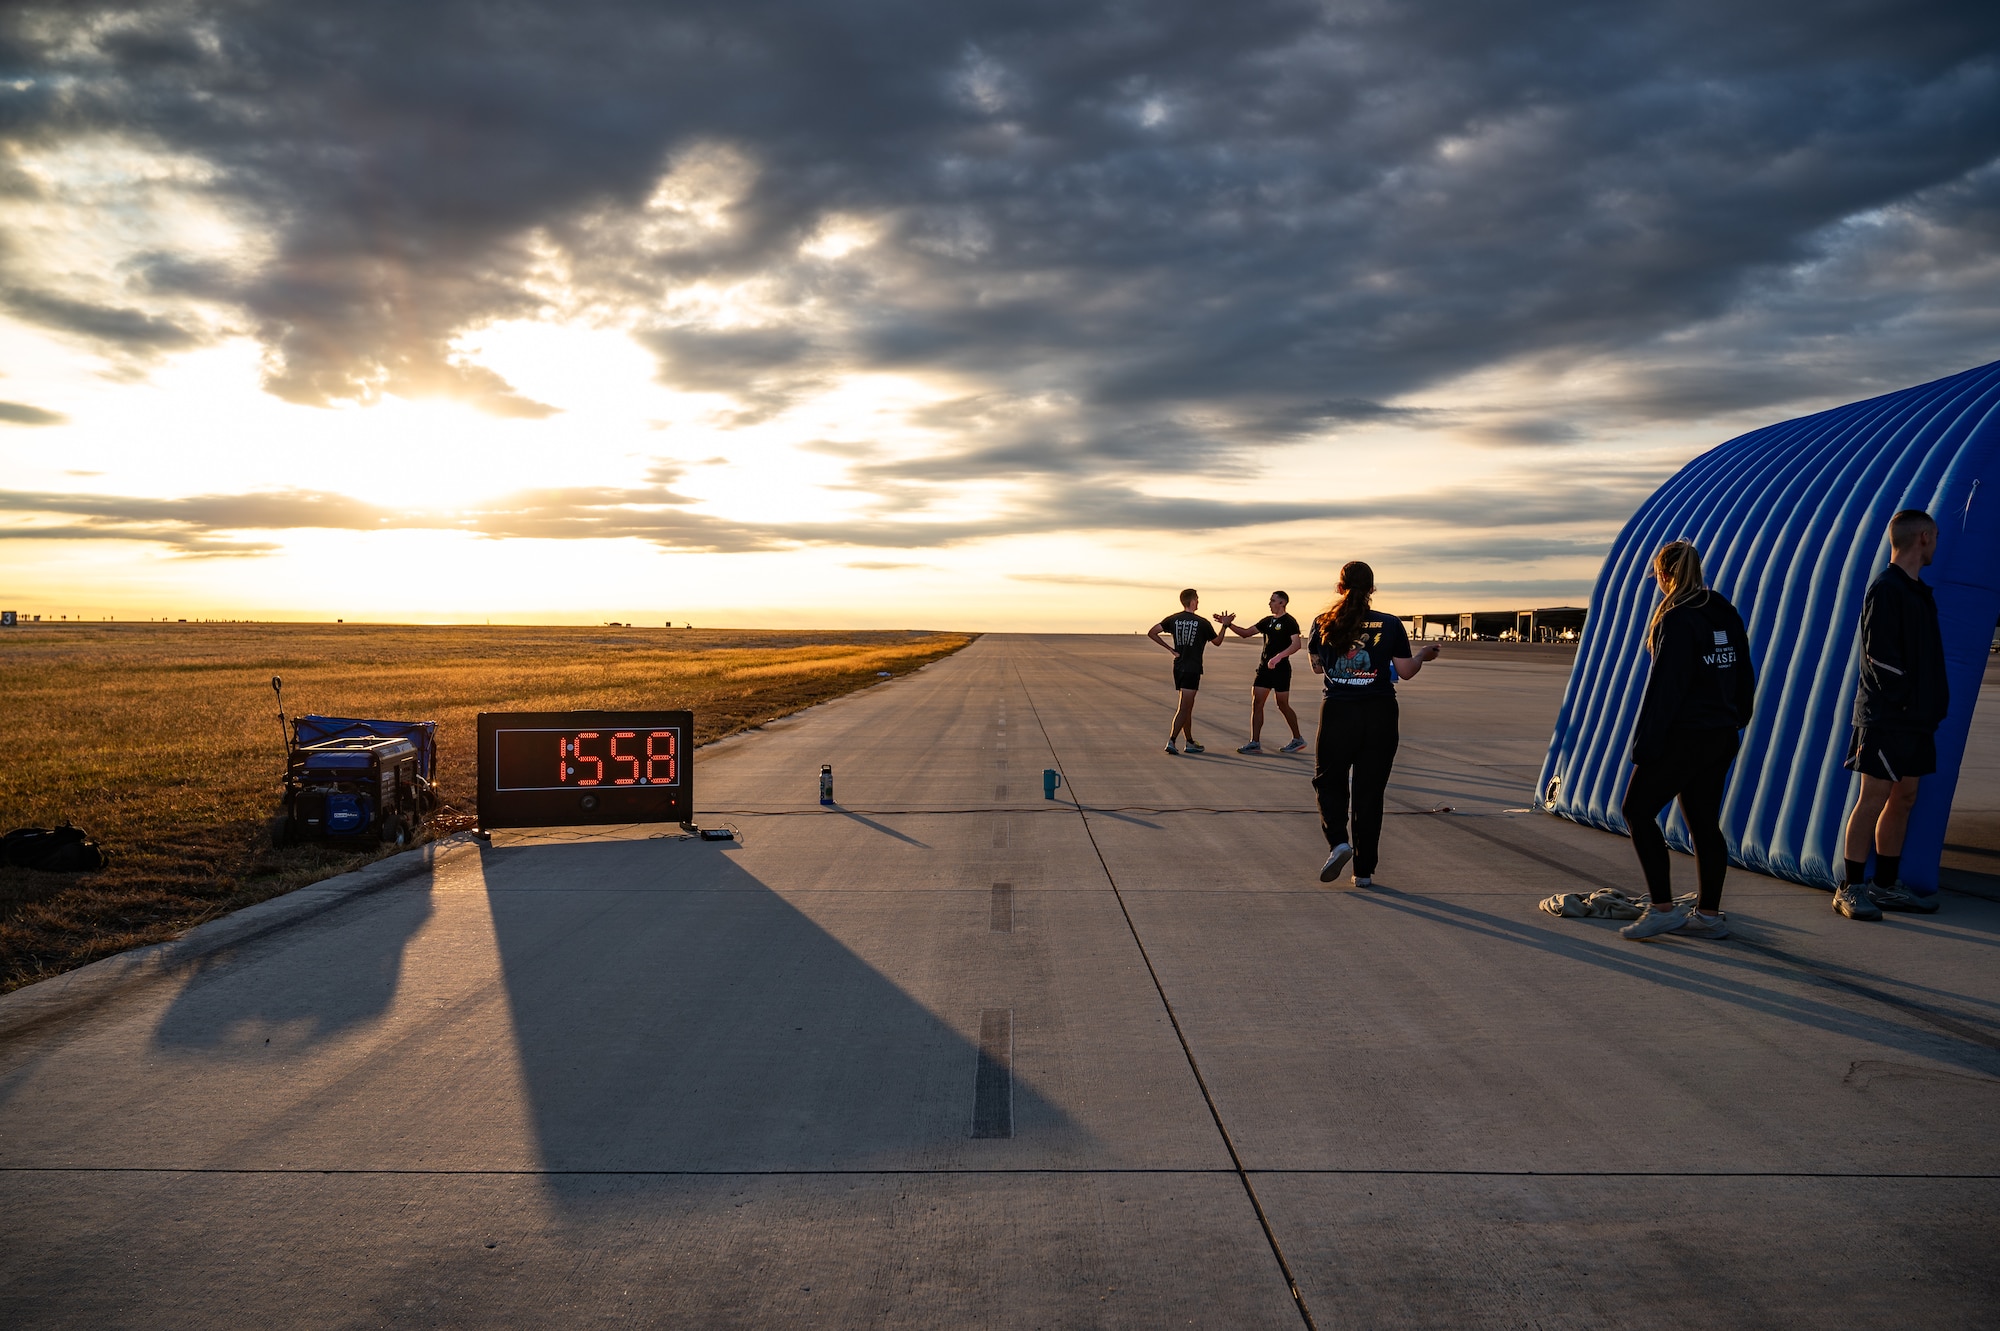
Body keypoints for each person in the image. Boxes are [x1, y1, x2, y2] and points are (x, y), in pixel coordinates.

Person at [1616, 541, 1756, 942]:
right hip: (1721, 735)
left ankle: (1662, 909)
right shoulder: (1723, 609)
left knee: (1637, 811)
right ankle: (1709, 915)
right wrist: (1737, 717)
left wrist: (1644, 746)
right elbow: (1744, 670)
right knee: (1704, 824)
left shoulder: (1676, 618)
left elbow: (1665, 689)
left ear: (1663, 575)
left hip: (1686, 737)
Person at [1835, 509, 1949, 920]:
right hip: (1886, 718)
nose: (1937, 543)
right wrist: (1904, 701)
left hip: (1915, 720)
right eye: (1935, 536)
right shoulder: (1886, 588)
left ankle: (1885, 886)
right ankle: (1850, 888)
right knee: (1873, 798)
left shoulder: (1920, 592)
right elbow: (1879, 658)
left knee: (1905, 797)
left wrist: (1929, 705)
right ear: (1923, 537)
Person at [1307, 562, 1440, 886]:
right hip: (1380, 713)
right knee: (1370, 792)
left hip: (1339, 711)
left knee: (1329, 782)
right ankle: (1363, 871)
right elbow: (1405, 671)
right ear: (1372, 590)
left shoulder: (1323, 623)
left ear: (1340, 588)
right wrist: (1422, 655)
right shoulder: (1391, 624)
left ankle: (1339, 842)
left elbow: (1315, 666)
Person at [1148, 589, 1233, 754]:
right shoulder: (1202, 623)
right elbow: (1217, 642)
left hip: (1178, 667)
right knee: (1185, 707)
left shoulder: (1173, 619)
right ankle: (1172, 740)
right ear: (1193, 601)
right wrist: (1225, 626)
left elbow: (1152, 632)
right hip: (1192, 668)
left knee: (1187, 706)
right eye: (1198, 599)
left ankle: (1189, 741)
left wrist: (1171, 649)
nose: (1199, 602)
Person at [1223, 591, 1308, 754]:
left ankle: (1298, 739)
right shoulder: (1267, 621)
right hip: (1264, 669)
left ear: (1282, 603)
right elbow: (1246, 633)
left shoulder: (1289, 622)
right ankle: (1254, 742)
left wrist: (1279, 657)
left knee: (1282, 704)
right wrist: (1228, 624)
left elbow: (1296, 644)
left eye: (1273, 600)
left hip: (1281, 669)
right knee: (1257, 703)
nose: (1269, 603)